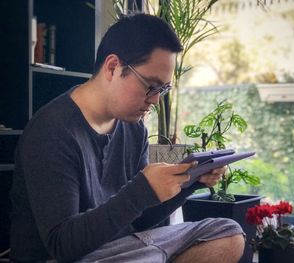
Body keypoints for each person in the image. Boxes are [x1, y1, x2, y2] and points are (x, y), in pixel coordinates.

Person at [10, 13, 245, 263]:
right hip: (68, 258)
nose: (155, 100)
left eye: (163, 89)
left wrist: (190, 183)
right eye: (151, 85)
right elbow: (63, 246)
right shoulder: (52, 131)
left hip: (123, 250)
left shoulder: (133, 129)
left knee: (227, 234)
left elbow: (141, 219)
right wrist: (141, 191)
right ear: (113, 67)